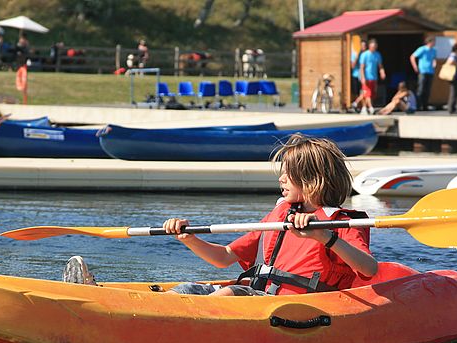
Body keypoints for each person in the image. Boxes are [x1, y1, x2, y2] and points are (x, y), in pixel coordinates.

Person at [63, 134, 378, 296]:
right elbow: (224, 258)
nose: (280, 180)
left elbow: (368, 268)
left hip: (293, 306)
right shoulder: (280, 214)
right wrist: (187, 238)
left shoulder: (342, 221)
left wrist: (326, 236)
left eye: (287, 174)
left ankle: (116, 314)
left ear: (311, 180)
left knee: (229, 292)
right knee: (189, 289)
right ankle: (102, 299)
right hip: (256, 293)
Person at [358, 39, 386, 112]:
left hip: (374, 77)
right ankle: (370, 108)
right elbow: (362, 67)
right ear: (369, 46)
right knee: (367, 93)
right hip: (366, 77)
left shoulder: (377, 55)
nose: (374, 48)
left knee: (372, 94)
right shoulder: (364, 55)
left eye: (375, 46)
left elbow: (380, 66)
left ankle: (364, 108)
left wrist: (382, 72)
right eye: (372, 46)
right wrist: (363, 77)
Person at [410, 36, 437, 111]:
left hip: (430, 71)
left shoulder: (434, 50)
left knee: (427, 89)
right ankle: (418, 105)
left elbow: (434, 58)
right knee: (421, 89)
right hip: (423, 71)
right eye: (433, 41)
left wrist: (434, 63)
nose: (434, 43)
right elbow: (412, 57)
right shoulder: (422, 49)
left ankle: (425, 105)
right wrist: (415, 67)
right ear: (429, 42)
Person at [445, 42, 457, 113]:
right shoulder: (453, 55)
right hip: (454, 76)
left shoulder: (455, 55)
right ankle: (451, 108)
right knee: (454, 92)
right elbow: (450, 62)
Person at [349, 40, 366, 105]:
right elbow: (352, 66)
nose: (363, 47)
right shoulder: (355, 54)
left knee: (364, 91)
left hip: (364, 76)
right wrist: (357, 56)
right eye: (362, 46)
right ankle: (357, 105)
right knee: (356, 92)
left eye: (364, 46)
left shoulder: (367, 54)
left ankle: (360, 104)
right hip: (356, 75)